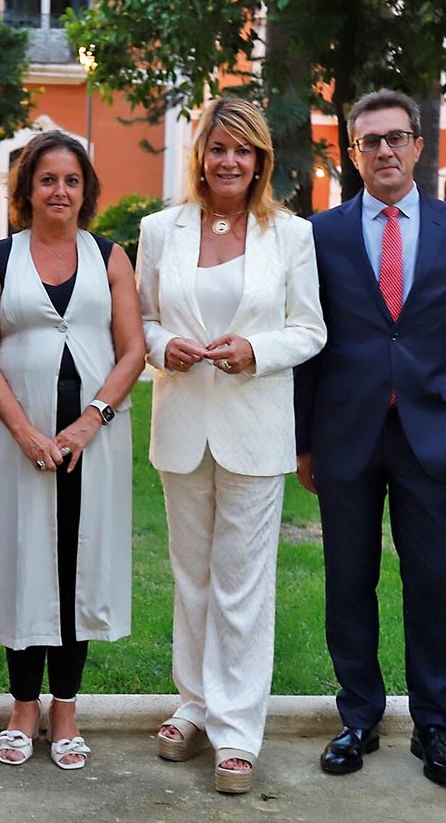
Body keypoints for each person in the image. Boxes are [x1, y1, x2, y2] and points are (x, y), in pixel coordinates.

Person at [293, 89, 446, 789]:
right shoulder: (320, 234)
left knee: (432, 579)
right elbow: (308, 345)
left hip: (431, 434)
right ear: (352, 154)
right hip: (345, 434)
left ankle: (434, 727)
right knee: (349, 579)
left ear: (418, 146)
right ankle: (359, 717)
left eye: (396, 138)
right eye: (369, 141)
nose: (384, 150)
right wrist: (303, 441)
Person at [136, 98, 326, 794]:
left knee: (242, 585)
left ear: (261, 161)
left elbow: (310, 330)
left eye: (242, 151)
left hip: (254, 428)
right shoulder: (161, 230)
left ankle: (238, 732)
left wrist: (257, 349)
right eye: (218, 148)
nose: (228, 161)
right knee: (192, 580)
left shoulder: (291, 236)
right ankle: (195, 704)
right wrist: (164, 348)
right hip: (183, 424)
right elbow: (143, 320)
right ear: (201, 155)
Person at [0, 130, 145, 771]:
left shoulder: (110, 256)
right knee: (25, 562)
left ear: (86, 190)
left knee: (79, 562)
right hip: (20, 442)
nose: (60, 191)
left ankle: (65, 706)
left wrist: (89, 421)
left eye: (72, 180)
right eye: (47, 180)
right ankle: (22, 706)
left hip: (94, 442)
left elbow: (132, 350)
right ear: (26, 190)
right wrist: (23, 430)